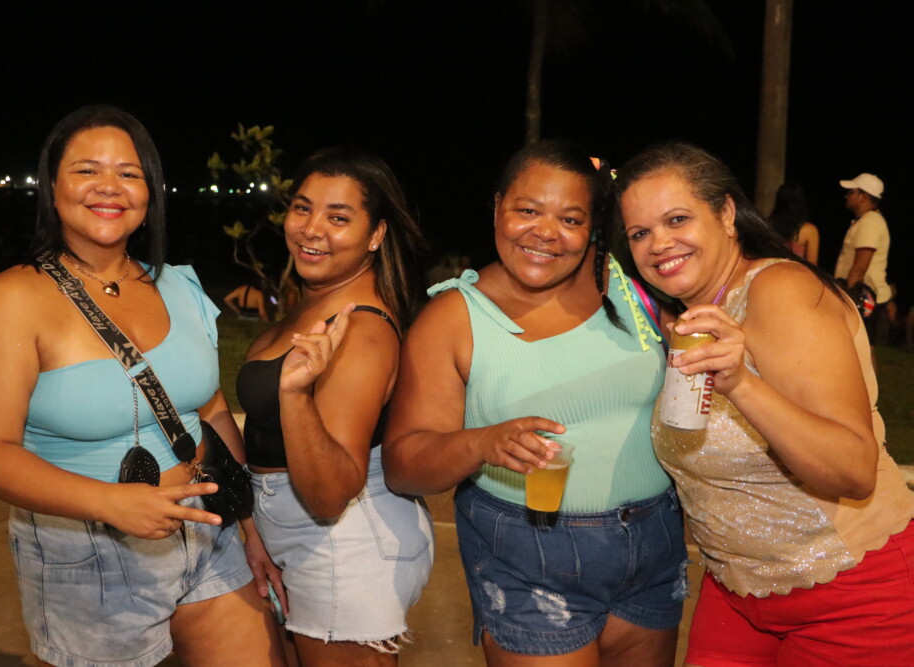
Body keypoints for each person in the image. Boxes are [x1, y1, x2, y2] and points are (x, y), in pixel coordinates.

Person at [0, 105, 286, 667]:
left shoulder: (178, 285)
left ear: (149, 192)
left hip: (207, 528)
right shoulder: (13, 300)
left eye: (129, 173)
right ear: (52, 185)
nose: (109, 186)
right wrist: (110, 503)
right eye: (87, 170)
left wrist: (250, 526)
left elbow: (211, 410)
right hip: (88, 550)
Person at [384, 139, 687, 666]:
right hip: (530, 557)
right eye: (527, 210)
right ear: (497, 206)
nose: (545, 232)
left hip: (654, 546)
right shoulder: (455, 318)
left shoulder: (627, 284)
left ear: (592, 227)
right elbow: (403, 465)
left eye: (570, 219)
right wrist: (483, 443)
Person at [615, 142, 914, 667]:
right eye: (639, 233)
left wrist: (741, 385)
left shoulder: (779, 289)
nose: (658, 243)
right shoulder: (687, 319)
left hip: (853, 593)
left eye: (677, 219)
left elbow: (852, 470)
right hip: (737, 591)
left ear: (727, 213)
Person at [236, 146, 434, 666]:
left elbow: (329, 494)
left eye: (338, 217)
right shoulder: (319, 298)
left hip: (342, 544)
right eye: (303, 208)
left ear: (376, 235)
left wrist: (295, 394)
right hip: (299, 534)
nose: (311, 228)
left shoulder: (361, 330)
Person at [834, 172, 890, 339]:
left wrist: (847, 297)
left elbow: (860, 266)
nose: (847, 196)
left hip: (864, 295)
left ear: (863, 196)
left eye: (851, 192)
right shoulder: (865, 220)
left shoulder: (870, 223)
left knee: (861, 345)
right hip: (862, 292)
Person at [768, 181, 819, 265]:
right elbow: (812, 265)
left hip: (772, 271)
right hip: (797, 272)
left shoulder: (769, 226)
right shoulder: (809, 230)